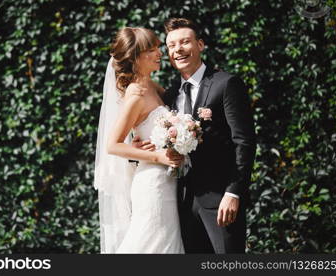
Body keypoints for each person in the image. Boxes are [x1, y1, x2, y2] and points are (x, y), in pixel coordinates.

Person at [135, 18, 256, 253]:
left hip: (221, 201)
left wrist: (234, 192)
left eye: (185, 42)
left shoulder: (226, 84)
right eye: (171, 46)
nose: (178, 50)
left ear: (200, 45)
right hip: (180, 203)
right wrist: (143, 147)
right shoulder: (169, 94)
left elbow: (245, 142)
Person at [94, 27, 185, 253]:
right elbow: (112, 145)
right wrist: (157, 156)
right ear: (135, 58)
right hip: (153, 184)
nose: (159, 54)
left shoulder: (152, 85)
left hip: (167, 179)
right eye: (151, 50)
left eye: (157, 48)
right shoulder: (136, 95)